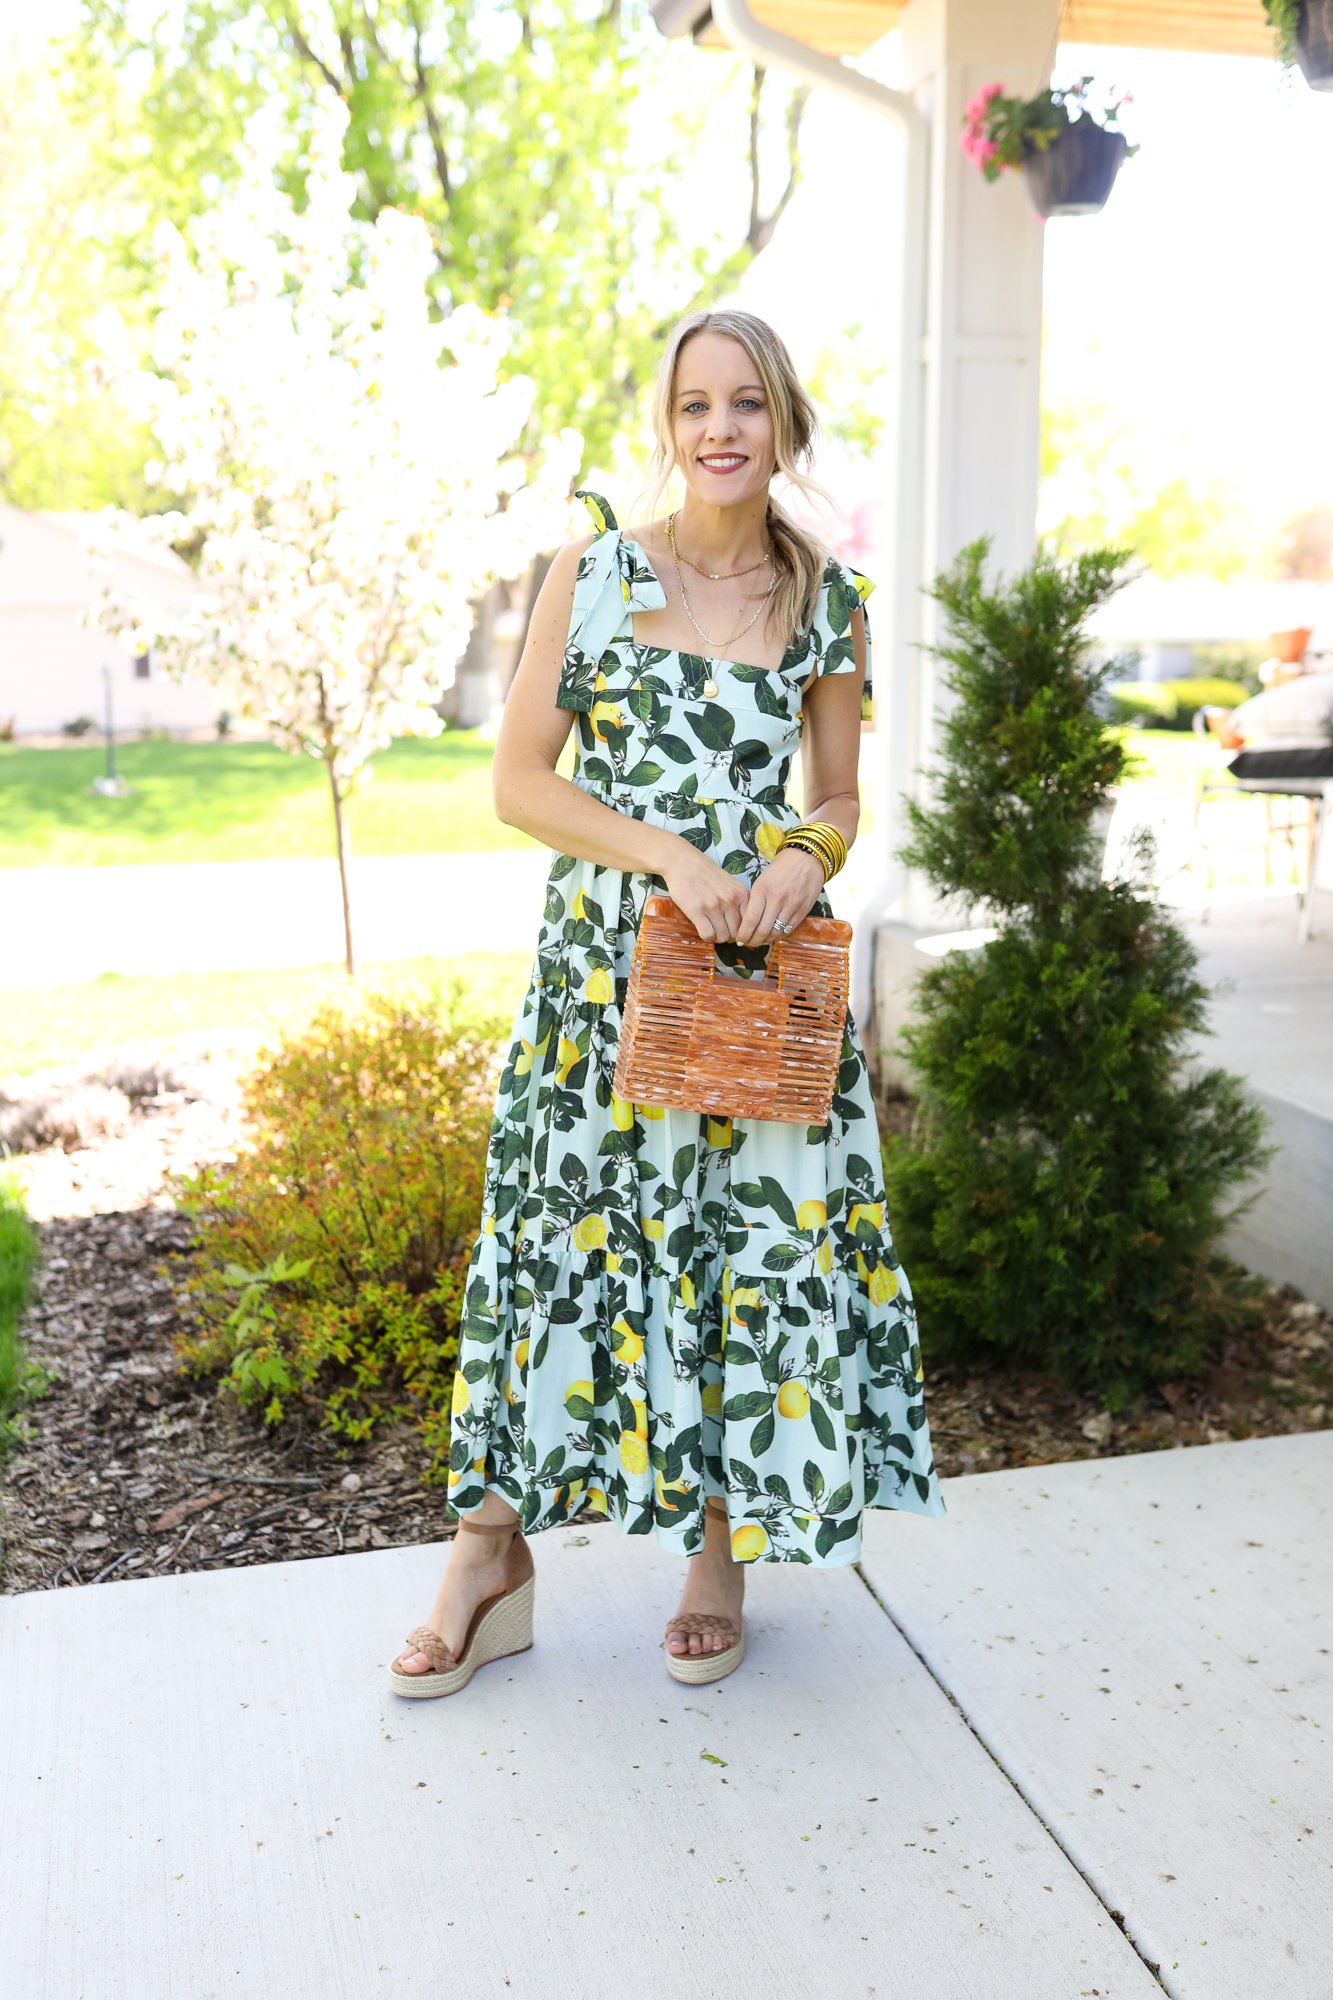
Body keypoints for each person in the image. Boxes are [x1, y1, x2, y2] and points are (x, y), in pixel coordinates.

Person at [388, 306, 946, 1698]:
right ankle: (485, 1556)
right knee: (551, 1249)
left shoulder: (826, 599)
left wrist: (794, 858)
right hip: (601, 981)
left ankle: (717, 1549)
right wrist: (674, 855)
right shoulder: (591, 574)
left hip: (750, 986)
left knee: (725, 1258)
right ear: (665, 425)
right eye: (694, 405)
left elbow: (836, 791)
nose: (718, 430)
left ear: (784, 424)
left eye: (745, 404)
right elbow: (519, 782)